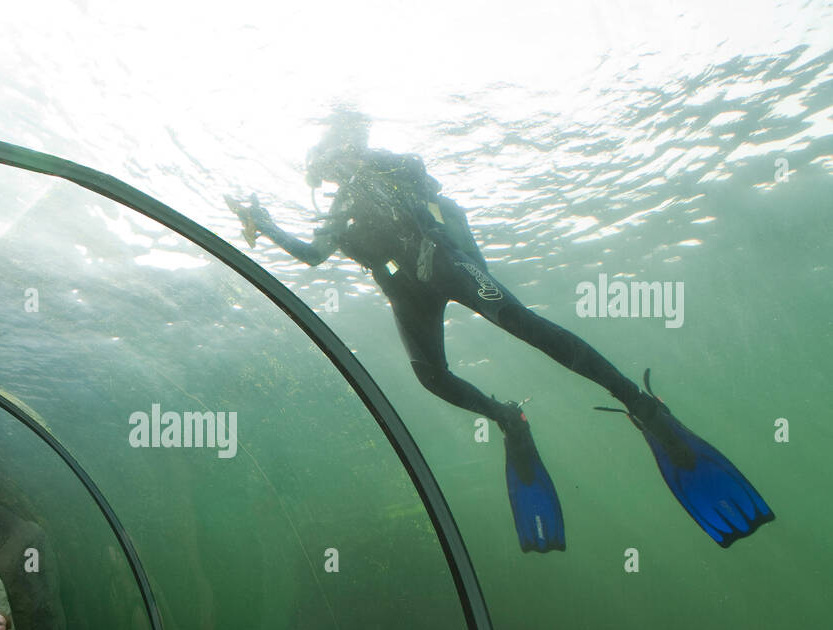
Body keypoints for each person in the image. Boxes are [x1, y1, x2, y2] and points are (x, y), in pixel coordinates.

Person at [229, 111, 774, 551]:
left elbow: (434, 212)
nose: (332, 166)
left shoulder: (387, 173)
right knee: (432, 377)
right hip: (414, 287)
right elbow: (320, 253)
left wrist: (474, 265)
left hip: (441, 263)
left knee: (523, 326)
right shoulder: (348, 199)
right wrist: (267, 222)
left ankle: (637, 402)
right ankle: (508, 419)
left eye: (334, 154)